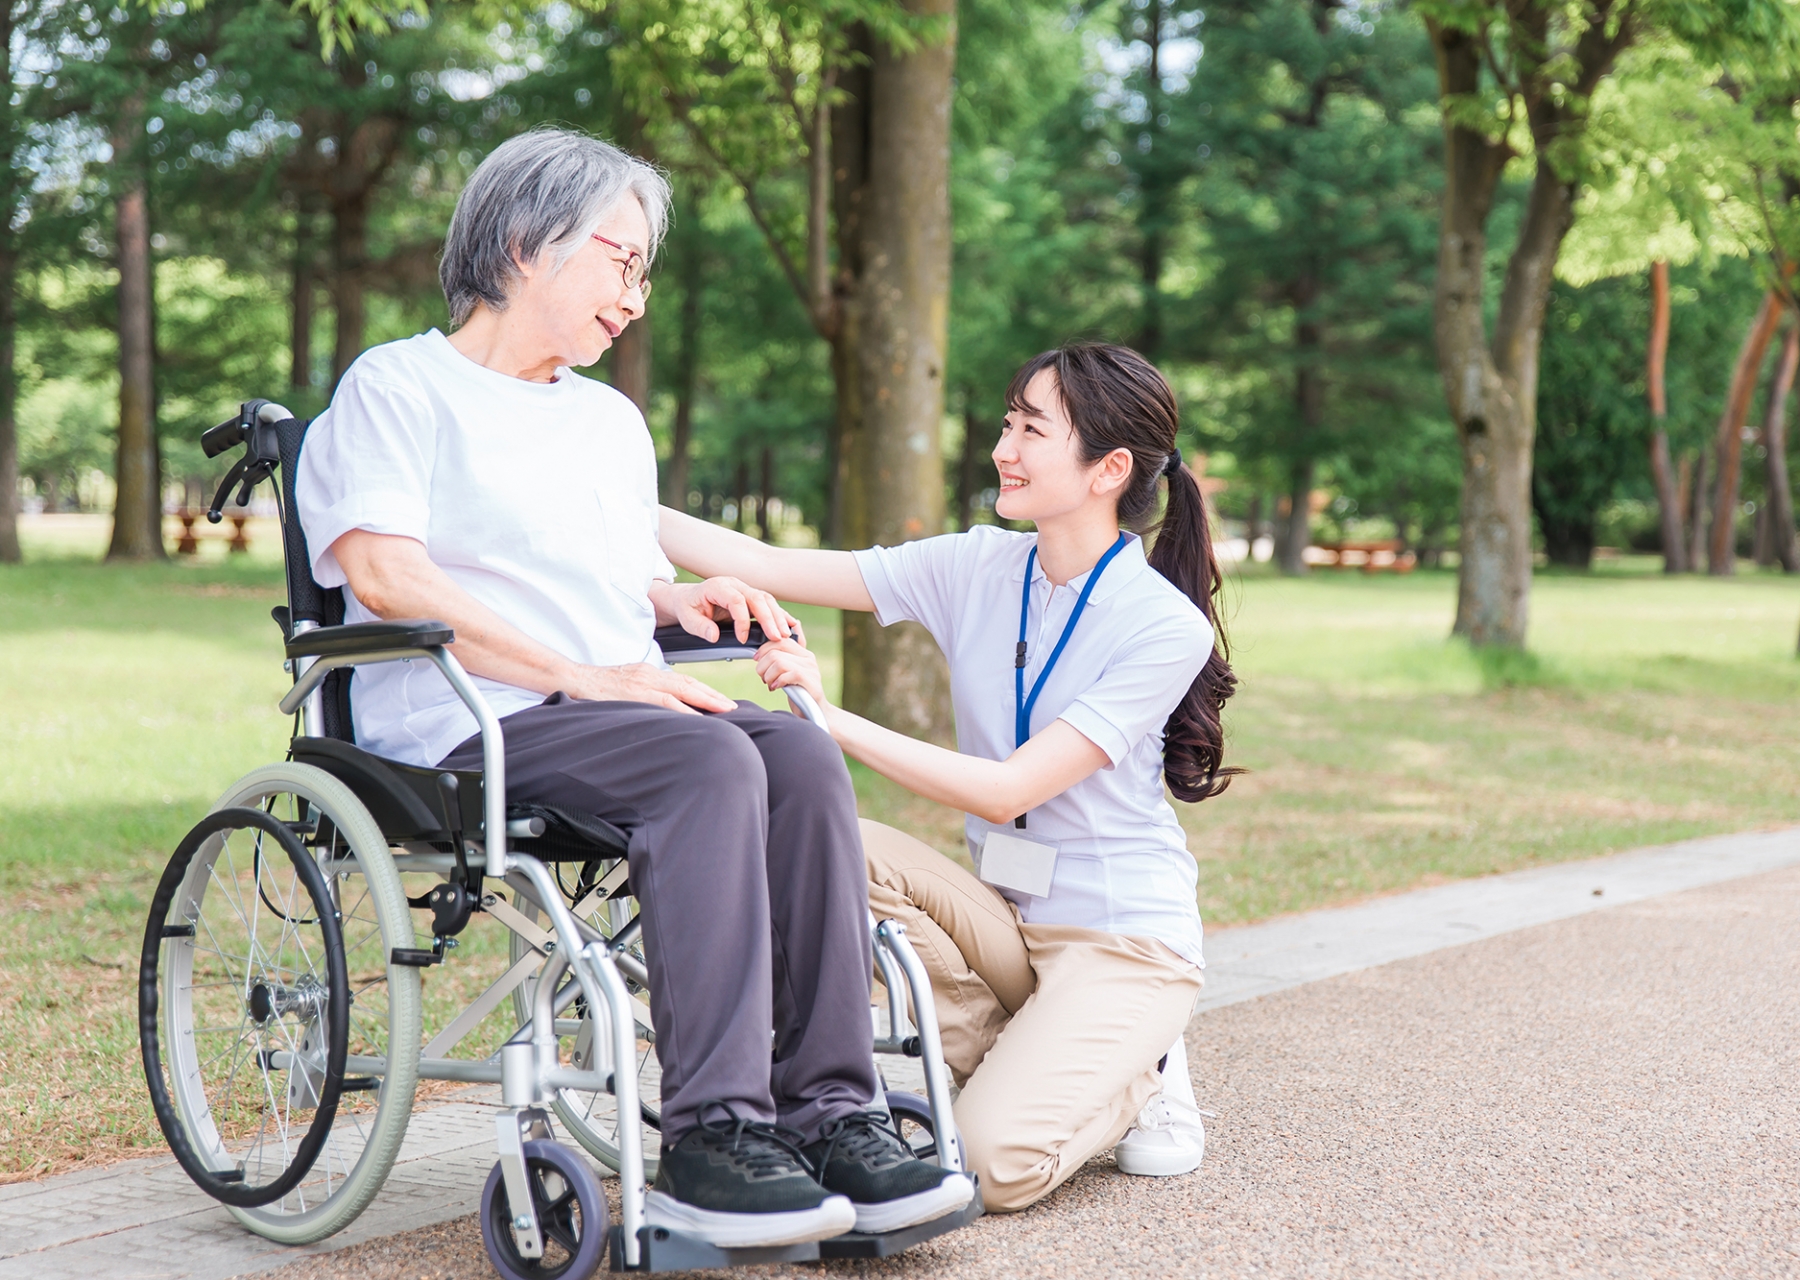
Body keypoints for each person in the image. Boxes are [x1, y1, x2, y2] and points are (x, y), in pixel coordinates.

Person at [293, 128, 973, 1248]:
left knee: (796, 753)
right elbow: (385, 571)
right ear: (525, 245)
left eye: (644, 270)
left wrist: (673, 599)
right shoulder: (398, 387)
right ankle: (713, 1139)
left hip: (604, 709)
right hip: (464, 724)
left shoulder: (607, 420)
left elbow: (590, 573)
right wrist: (587, 673)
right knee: (708, 756)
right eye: (622, 260)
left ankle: (832, 1112)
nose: (637, 296)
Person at [660, 341, 1241, 1212]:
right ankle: (1048, 1049)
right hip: (1006, 919)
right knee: (819, 847)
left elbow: (1012, 790)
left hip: (1119, 939)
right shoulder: (979, 564)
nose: (1003, 448)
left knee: (989, 1165)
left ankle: (1139, 1072)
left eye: (1031, 430)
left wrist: (828, 715)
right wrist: (604, 498)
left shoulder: (1164, 625)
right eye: (1009, 423)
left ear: (1107, 469)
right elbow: (770, 565)